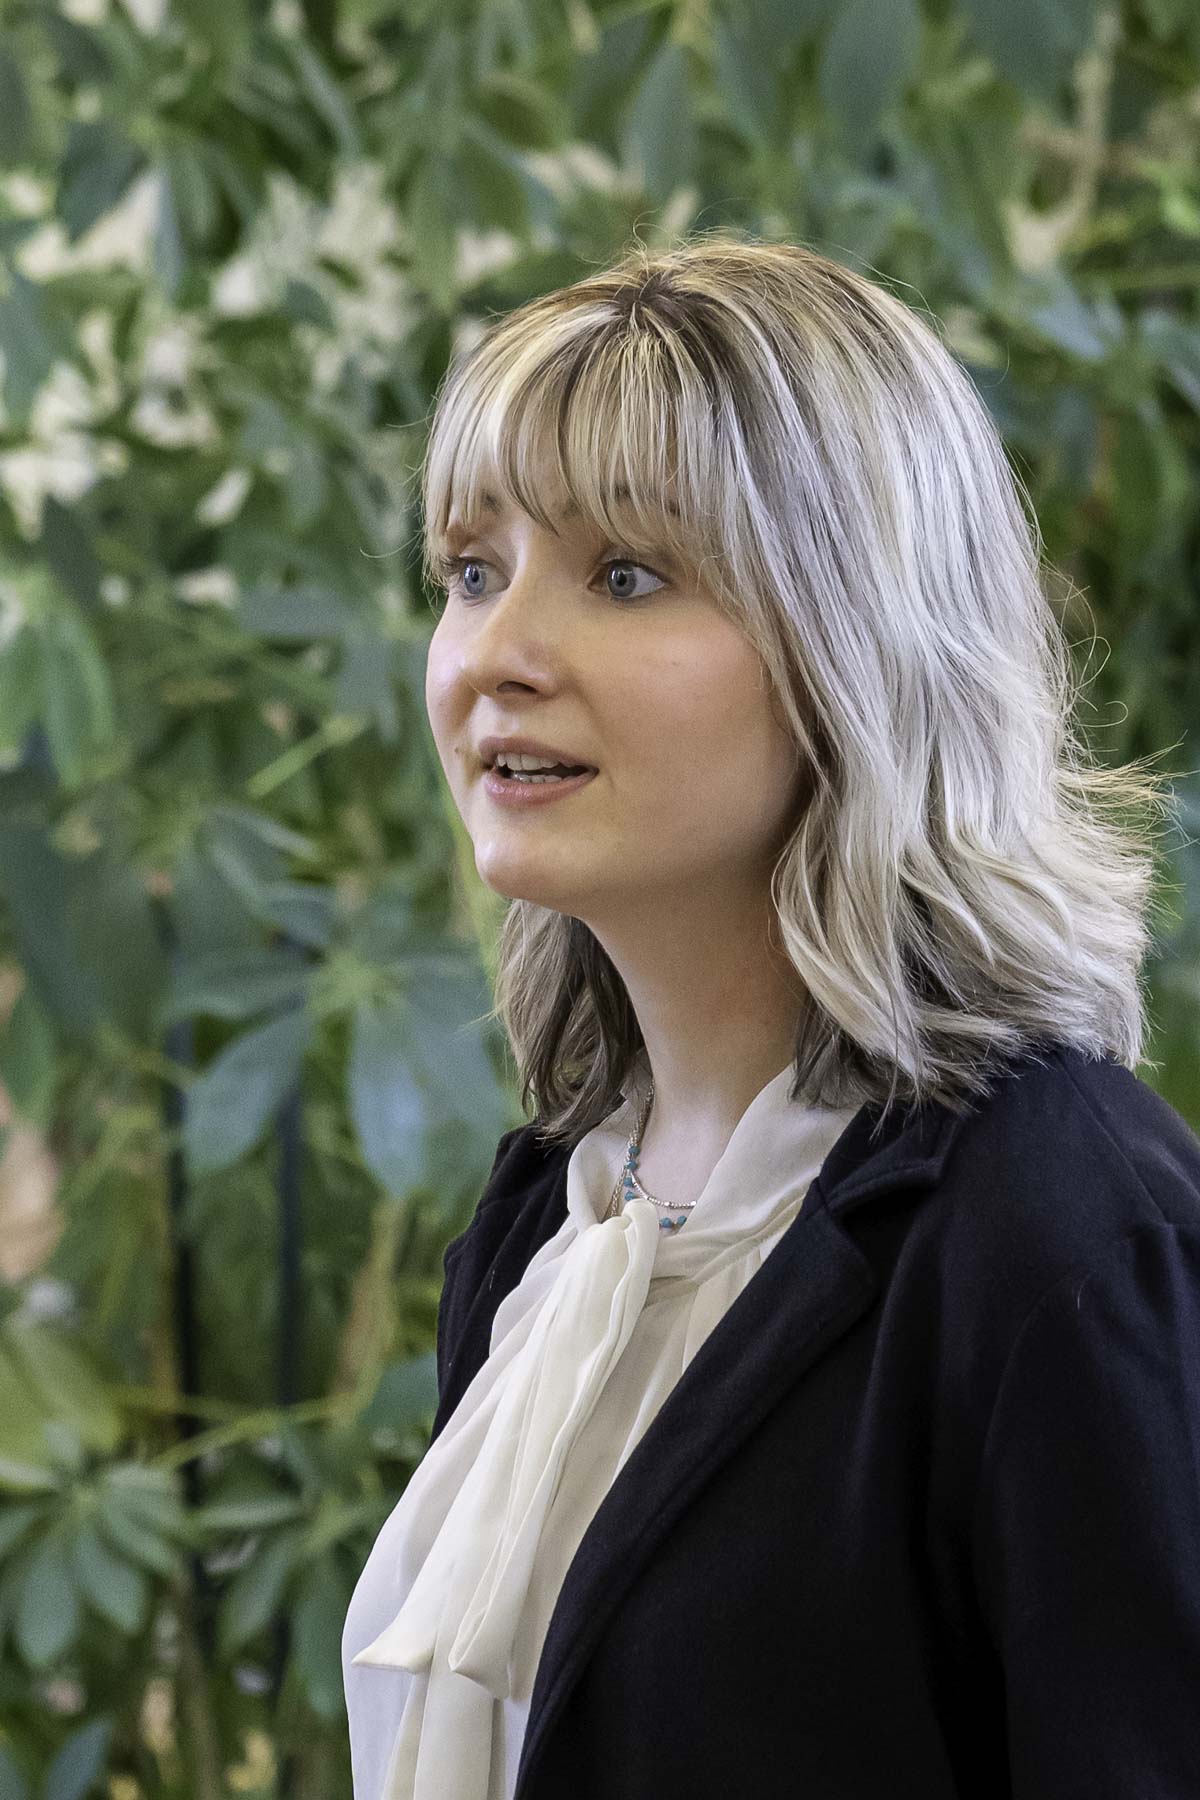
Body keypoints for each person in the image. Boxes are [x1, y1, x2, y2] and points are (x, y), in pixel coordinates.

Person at [340, 232, 1200, 1799]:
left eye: (626, 574)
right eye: (472, 572)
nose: (497, 657)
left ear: (854, 639)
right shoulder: (557, 1217)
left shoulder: (1062, 1229)